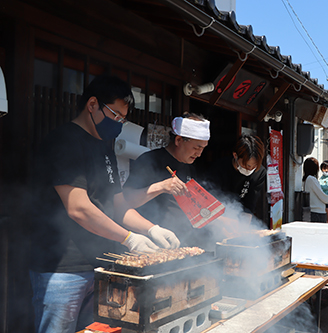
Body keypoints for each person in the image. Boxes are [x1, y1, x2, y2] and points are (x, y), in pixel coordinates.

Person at [29, 75, 180, 333]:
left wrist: (151, 229)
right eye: (116, 115)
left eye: (123, 118)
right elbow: (78, 207)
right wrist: (130, 239)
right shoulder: (64, 141)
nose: (119, 123)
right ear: (92, 105)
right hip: (63, 270)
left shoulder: (105, 148)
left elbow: (118, 207)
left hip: (100, 266)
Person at [123, 113, 210, 246]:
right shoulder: (149, 160)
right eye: (196, 148)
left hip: (182, 243)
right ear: (178, 140)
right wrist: (161, 187)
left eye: (203, 148)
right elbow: (126, 199)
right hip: (153, 243)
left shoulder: (189, 166)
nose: (199, 154)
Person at [205, 134, 267, 221]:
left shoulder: (259, 172)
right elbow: (209, 200)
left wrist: (243, 227)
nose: (250, 169)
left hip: (238, 218)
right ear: (235, 155)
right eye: (246, 165)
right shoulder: (219, 168)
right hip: (217, 218)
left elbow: (249, 204)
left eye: (254, 166)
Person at [303, 157, 328, 223]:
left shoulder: (305, 179)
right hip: (317, 212)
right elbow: (321, 195)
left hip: (312, 211)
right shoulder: (311, 179)